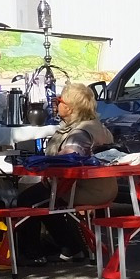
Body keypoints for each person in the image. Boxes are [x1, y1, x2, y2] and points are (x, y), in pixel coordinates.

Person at [15, 82, 117, 264]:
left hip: (84, 189)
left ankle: (33, 253)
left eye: (59, 100)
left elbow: (67, 162)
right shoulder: (97, 126)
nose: (56, 104)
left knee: (28, 200)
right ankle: (71, 247)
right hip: (105, 187)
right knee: (48, 199)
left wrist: (45, 169)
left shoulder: (78, 134)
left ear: (69, 108)